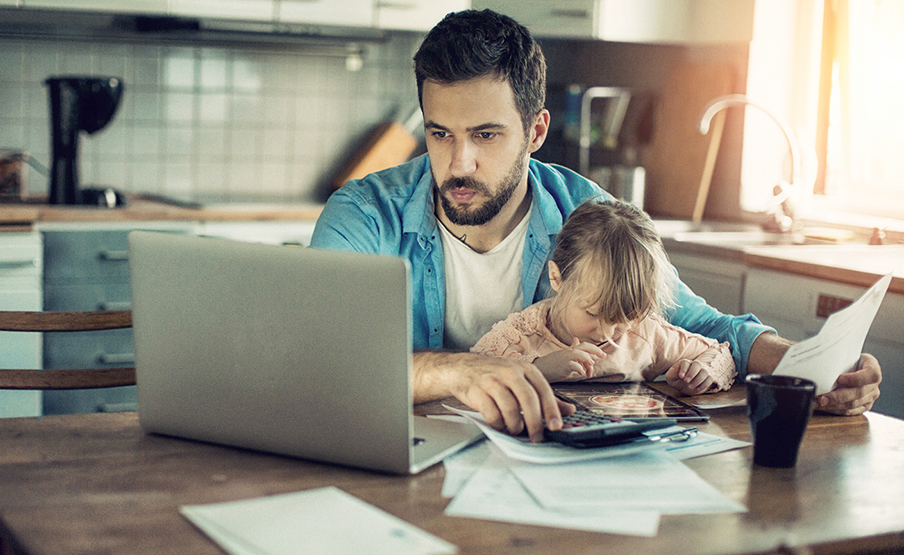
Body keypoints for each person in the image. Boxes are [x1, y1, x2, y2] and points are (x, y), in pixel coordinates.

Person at [310, 9, 882, 441]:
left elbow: (701, 323)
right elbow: (322, 359)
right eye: (440, 134)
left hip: (547, 463)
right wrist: (460, 373)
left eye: (486, 135)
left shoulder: (587, 213)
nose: (459, 164)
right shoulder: (363, 215)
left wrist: (811, 369)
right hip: (405, 455)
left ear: (535, 133)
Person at [471, 199, 737, 396]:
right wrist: (540, 369)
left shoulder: (646, 334)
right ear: (557, 278)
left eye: (625, 316)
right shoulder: (521, 335)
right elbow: (472, 374)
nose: (608, 332)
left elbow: (718, 352)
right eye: (593, 313)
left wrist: (701, 373)